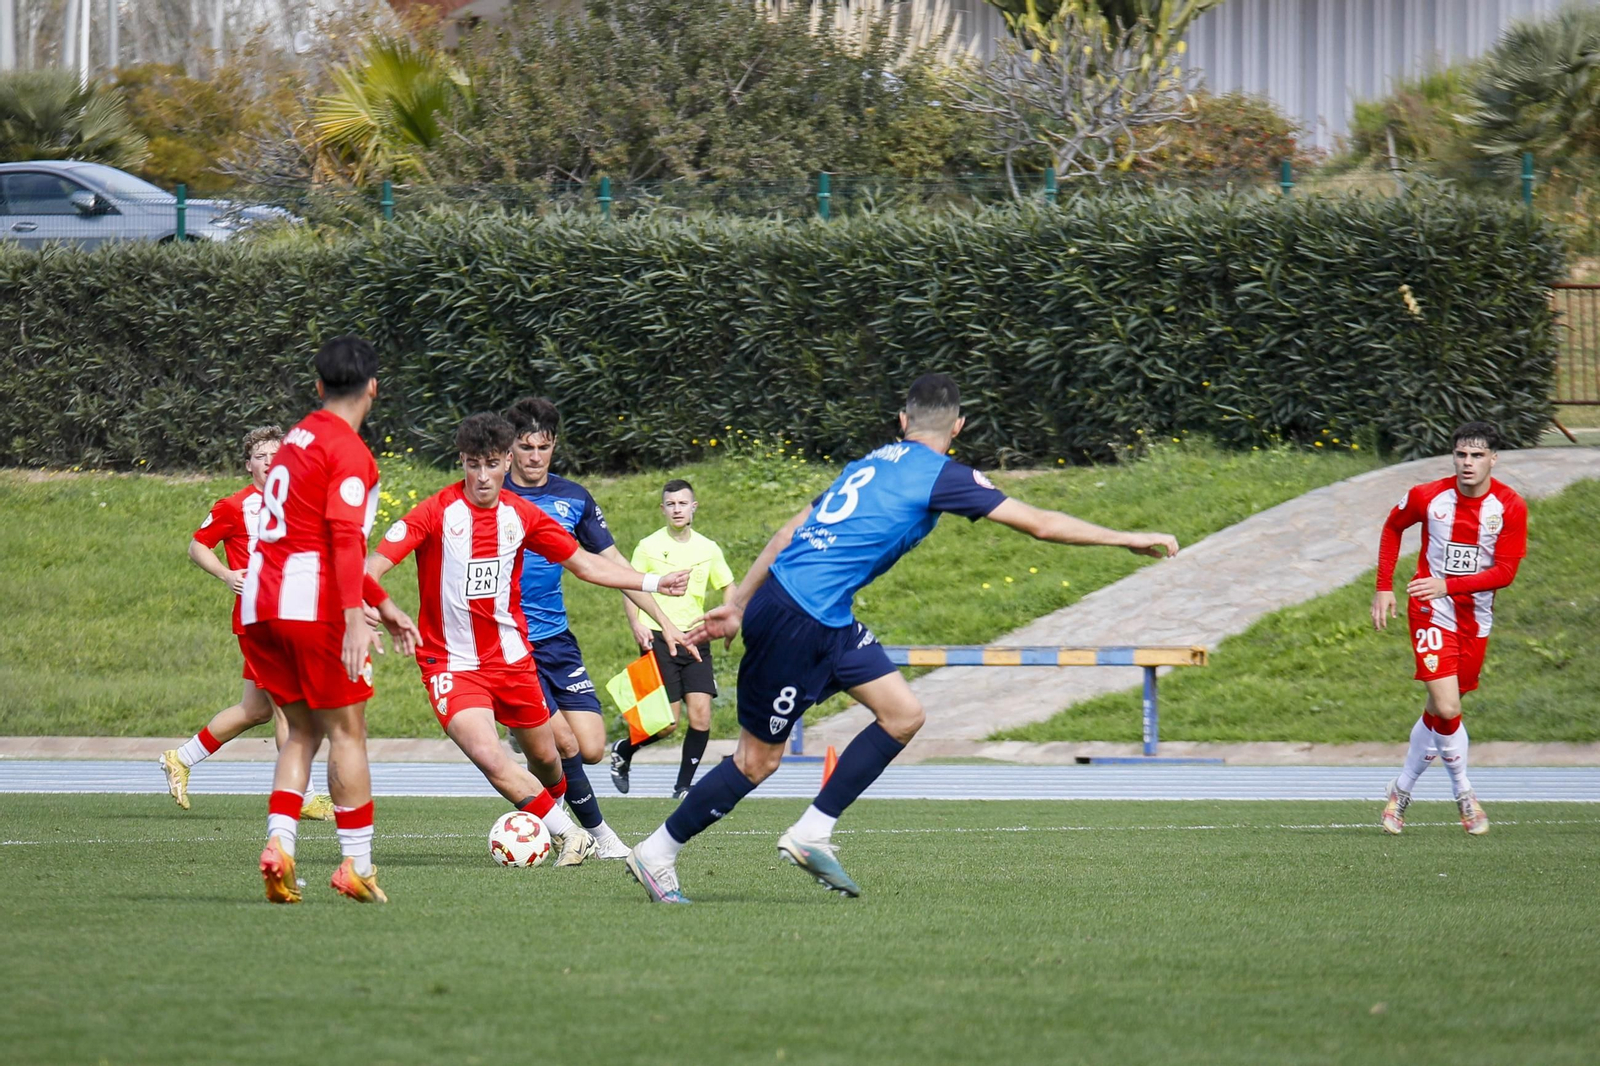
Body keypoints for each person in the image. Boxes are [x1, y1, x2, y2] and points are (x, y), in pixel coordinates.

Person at [625, 374, 1180, 903]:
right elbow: (1038, 522)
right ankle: (656, 851)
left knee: (902, 714)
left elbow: (789, 530)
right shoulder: (942, 473)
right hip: (798, 618)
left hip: (821, 615)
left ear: (902, 420)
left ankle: (811, 832)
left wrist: (741, 601)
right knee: (756, 761)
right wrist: (1127, 538)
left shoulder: (867, 464)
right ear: (957, 427)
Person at [367, 413, 691, 866]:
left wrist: (655, 583)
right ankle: (571, 836)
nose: (483, 476)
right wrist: (382, 607)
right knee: (488, 754)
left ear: (505, 463)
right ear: (461, 462)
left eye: (492, 464)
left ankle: (566, 817)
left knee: (552, 759)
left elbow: (587, 564)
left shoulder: (522, 515)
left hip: (513, 660)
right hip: (450, 663)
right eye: (473, 464)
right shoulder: (435, 512)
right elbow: (371, 567)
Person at [241, 335, 420, 904]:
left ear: (318, 387)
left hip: (259, 604)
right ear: (373, 387)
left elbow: (312, 536)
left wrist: (385, 604)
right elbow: (344, 539)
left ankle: (280, 846)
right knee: (349, 732)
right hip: (309, 608)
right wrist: (353, 618)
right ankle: (357, 866)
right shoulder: (350, 453)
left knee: (304, 731)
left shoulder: (294, 439)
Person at [502, 397, 699, 859]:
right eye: (525, 447)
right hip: (508, 642)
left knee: (589, 747)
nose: (534, 457)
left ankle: (533, 764)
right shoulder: (493, 496)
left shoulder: (573, 498)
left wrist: (664, 622)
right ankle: (599, 837)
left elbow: (612, 565)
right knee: (561, 742)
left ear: (554, 446)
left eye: (543, 447)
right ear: (510, 447)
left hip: (557, 641)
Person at [159, 425, 334, 821]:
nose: (271, 462)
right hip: (261, 623)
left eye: (278, 454)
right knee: (292, 710)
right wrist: (226, 574)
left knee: (255, 709)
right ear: (248, 465)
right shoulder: (235, 506)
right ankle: (303, 796)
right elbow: (197, 545)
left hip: (293, 619)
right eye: (261, 456)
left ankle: (180, 757)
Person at [1372, 421, 1527, 837]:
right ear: (1453, 457)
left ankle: (1400, 790)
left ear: (1494, 459)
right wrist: (1384, 586)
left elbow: (1507, 572)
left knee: (1441, 711)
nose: (1468, 463)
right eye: (1461, 454)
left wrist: (1450, 584)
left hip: (1475, 618)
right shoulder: (1429, 496)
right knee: (1449, 708)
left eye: (1477, 456)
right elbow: (1392, 527)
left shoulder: (1509, 506)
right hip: (1430, 609)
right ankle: (1465, 794)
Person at [611, 478, 735, 799]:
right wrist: (635, 623)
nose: (677, 509)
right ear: (663, 509)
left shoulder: (708, 548)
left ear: (694, 506)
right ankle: (624, 749)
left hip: (695, 638)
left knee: (702, 716)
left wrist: (727, 612)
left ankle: (683, 787)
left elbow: (728, 584)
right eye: (671, 504)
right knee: (666, 724)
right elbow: (630, 584)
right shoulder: (648, 546)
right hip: (657, 636)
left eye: (683, 503)